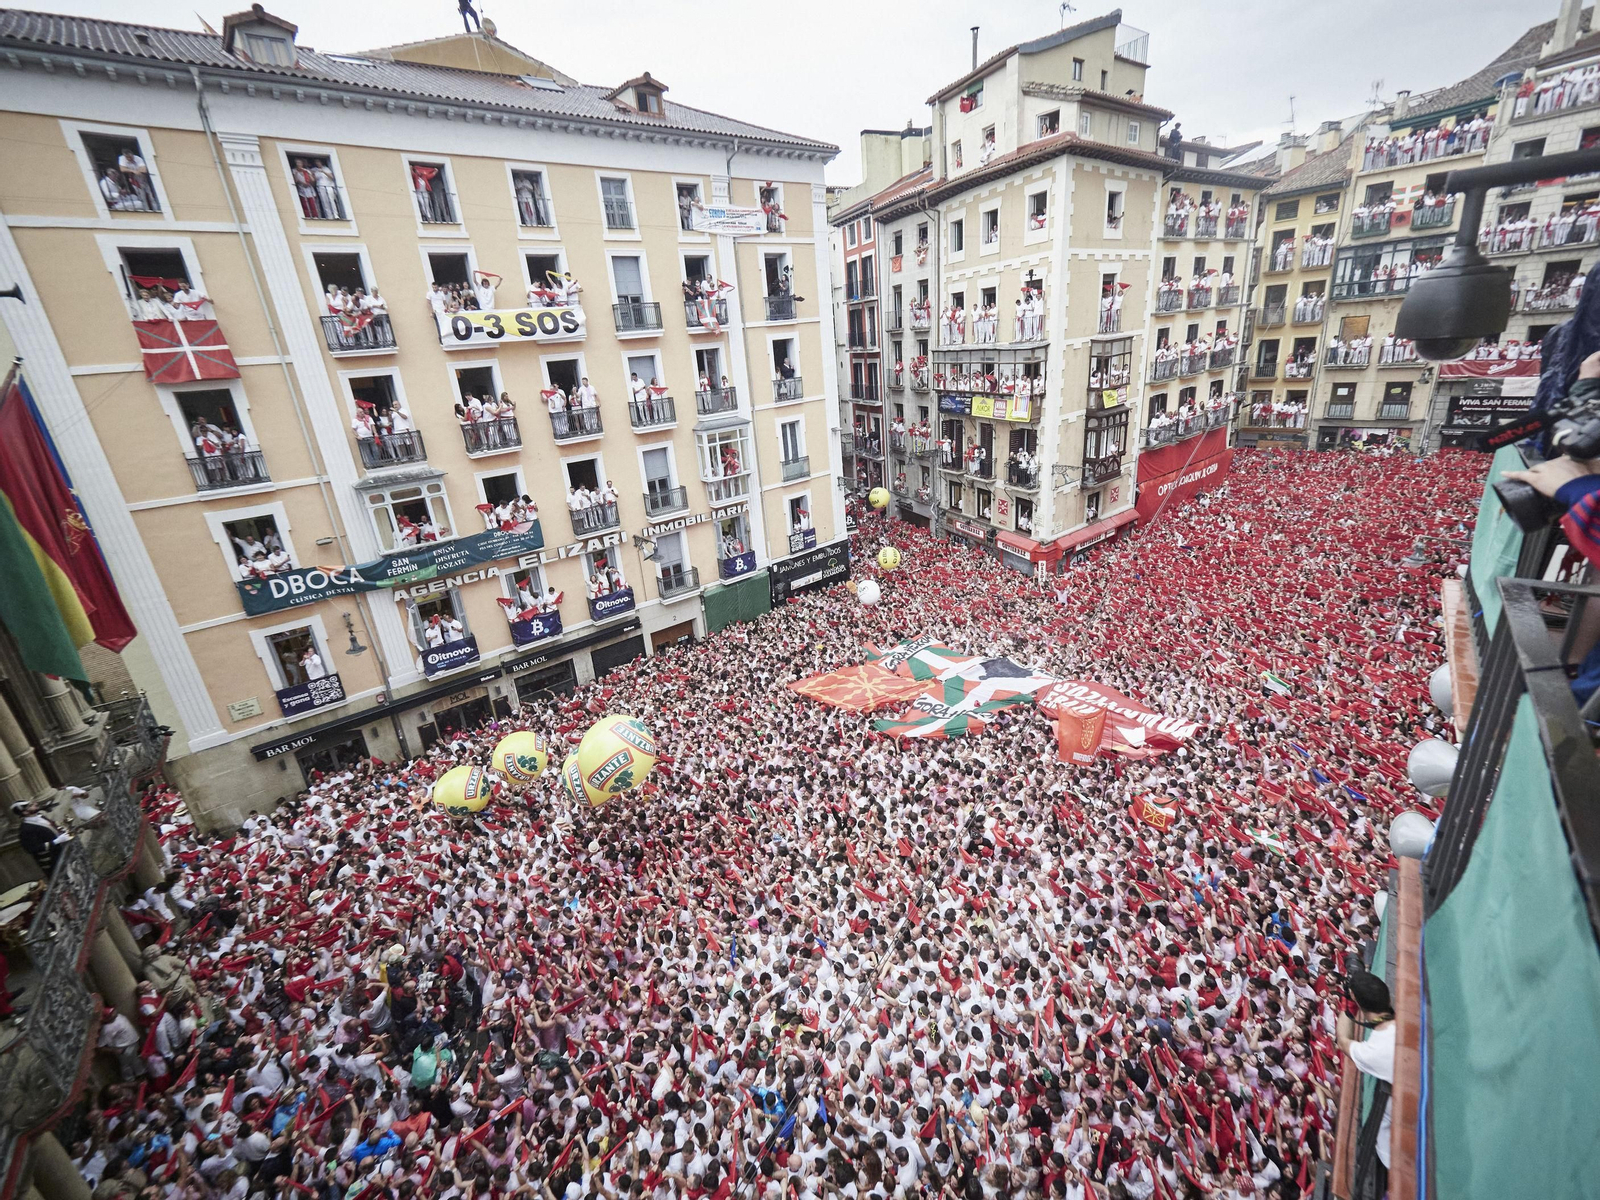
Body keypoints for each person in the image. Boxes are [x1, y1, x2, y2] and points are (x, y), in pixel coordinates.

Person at [1336, 970, 1396, 1175]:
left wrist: (1347, 1006)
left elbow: (1343, 1041)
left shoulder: (1374, 1052)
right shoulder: (1409, 1023)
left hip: (1394, 1157)